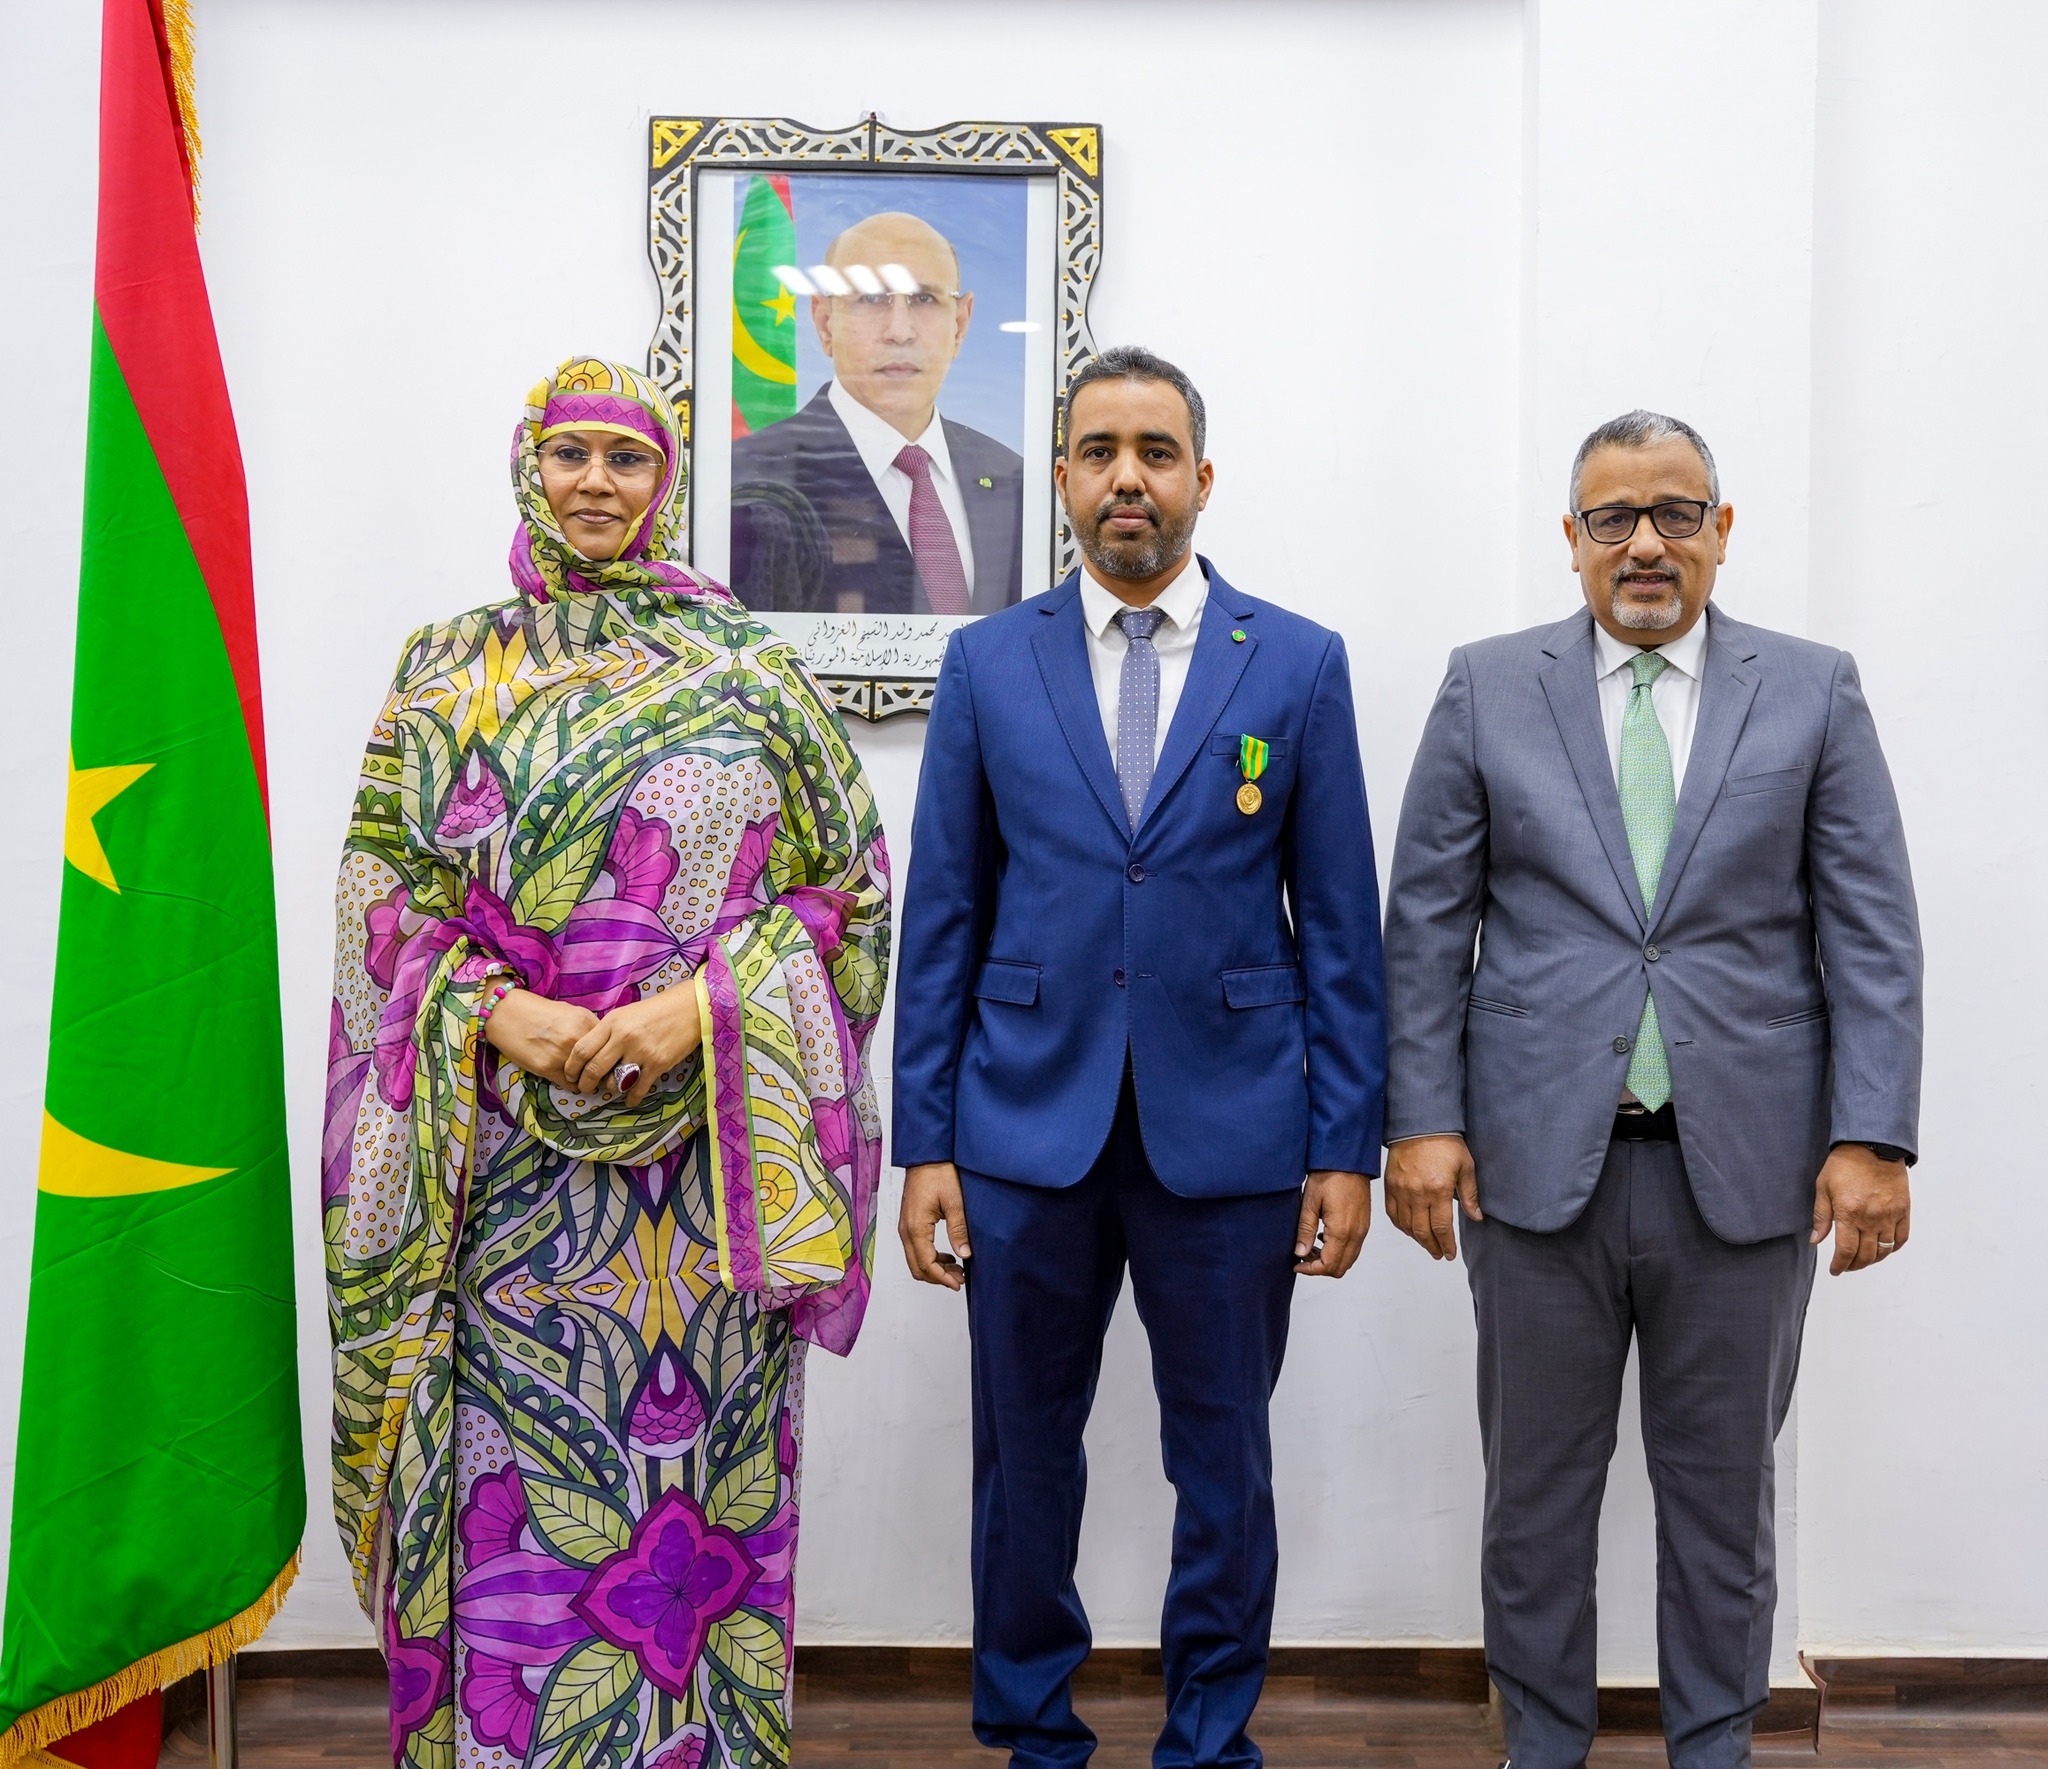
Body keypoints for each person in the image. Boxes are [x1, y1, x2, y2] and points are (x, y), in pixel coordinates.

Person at [325, 357, 891, 1769]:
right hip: (503, 1186)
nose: (595, 482)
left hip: (706, 1192)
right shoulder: (445, 668)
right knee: (509, 1489)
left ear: (665, 481)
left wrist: (700, 1009)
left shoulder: (748, 668)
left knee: (695, 1501)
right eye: (570, 453)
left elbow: (851, 893)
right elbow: (381, 892)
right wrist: (490, 1009)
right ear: (529, 466)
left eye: (625, 459)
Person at [1382, 411, 1922, 1769]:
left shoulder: (1812, 690)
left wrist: (1871, 1135)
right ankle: (1541, 1745)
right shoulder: (1484, 687)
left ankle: (1715, 1746)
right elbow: (1426, 926)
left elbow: (1870, 929)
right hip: (1529, 1169)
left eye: (1675, 513)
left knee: (1724, 1503)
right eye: (1613, 516)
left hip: (1745, 1170)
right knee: (1533, 1501)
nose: (1644, 543)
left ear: (1720, 532)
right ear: (1570, 538)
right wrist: (1422, 1120)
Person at [892, 346, 1386, 1769]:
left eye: (1155, 452)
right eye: (1099, 450)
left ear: (1201, 478)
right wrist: (925, 1141)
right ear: (1060, 477)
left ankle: (1209, 1738)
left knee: (1223, 1462)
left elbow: (1338, 927)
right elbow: (944, 917)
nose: (1128, 477)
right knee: (1022, 1458)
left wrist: (1343, 1145)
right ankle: (1032, 1729)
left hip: (1232, 1131)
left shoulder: (1295, 662)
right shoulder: (989, 662)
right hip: (1021, 1127)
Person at [730, 210, 1025, 615]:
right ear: (825, 322)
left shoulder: (1013, 479)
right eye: (870, 298)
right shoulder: (750, 477)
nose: (899, 331)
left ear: (959, 324)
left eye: (924, 298)